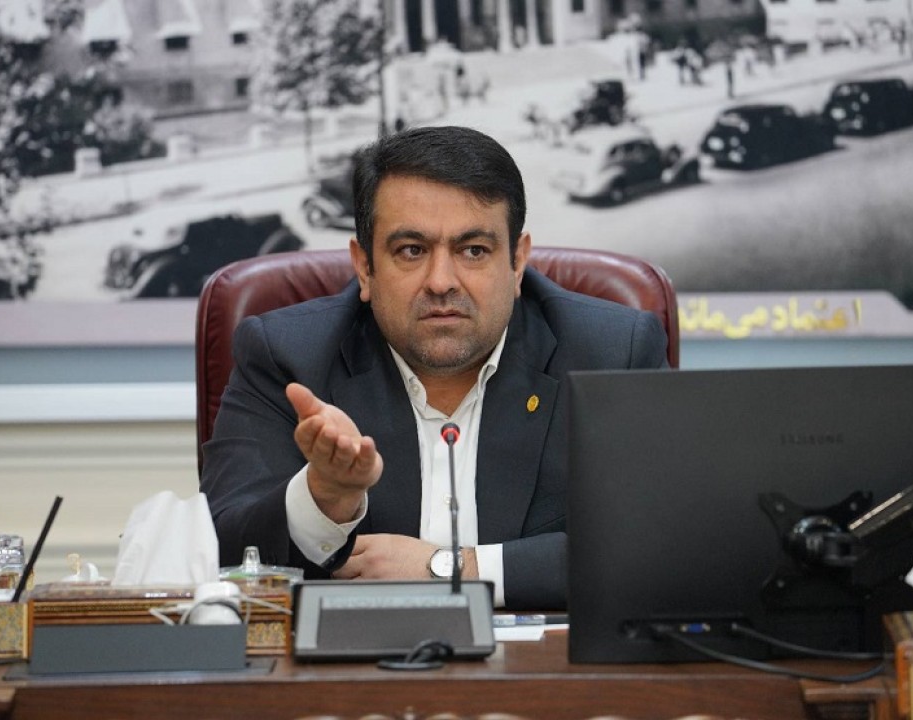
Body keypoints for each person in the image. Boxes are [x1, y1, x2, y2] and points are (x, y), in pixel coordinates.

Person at [199, 126, 669, 610]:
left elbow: (666, 546)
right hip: (360, 658)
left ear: (517, 263)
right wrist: (324, 498)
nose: (442, 282)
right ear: (364, 267)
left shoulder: (613, 353)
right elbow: (221, 550)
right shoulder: (287, 357)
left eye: (473, 250)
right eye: (412, 250)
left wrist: (453, 569)